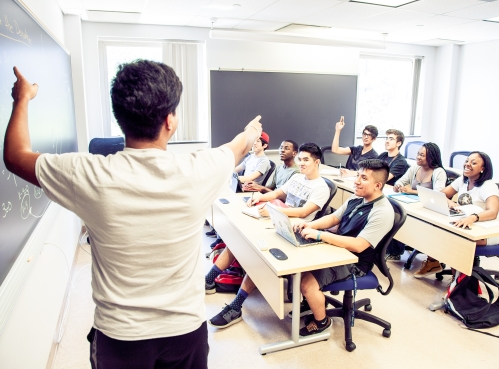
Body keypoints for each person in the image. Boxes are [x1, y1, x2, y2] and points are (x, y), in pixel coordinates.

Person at [4, 61, 264, 369]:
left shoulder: (87, 174)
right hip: (185, 332)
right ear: (170, 120)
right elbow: (239, 145)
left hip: (119, 337)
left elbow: (15, 156)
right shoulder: (198, 169)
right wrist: (251, 131)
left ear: (120, 118)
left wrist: (22, 98)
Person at [205, 143, 330, 328]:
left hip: (297, 234)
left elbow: (304, 212)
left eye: (306, 160)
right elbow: (278, 193)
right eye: (300, 159)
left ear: (317, 162)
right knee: (239, 242)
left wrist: (272, 210)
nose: (301, 163)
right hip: (279, 224)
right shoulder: (298, 178)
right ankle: (208, 280)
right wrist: (259, 197)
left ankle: (235, 306)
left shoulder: (321, 187)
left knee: (255, 256)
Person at [293, 159, 394, 336]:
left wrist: (320, 235)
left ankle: (322, 322)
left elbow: (359, 245)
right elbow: (334, 218)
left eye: (363, 178)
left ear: (378, 185)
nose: (356, 181)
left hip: (354, 262)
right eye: (357, 175)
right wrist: (310, 225)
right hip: (338, 249)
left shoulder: (382, 212)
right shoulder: (358, 197)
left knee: (307, 283)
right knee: (298, 260)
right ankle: (313, 303)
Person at [414, 151, 499, 278]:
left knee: (454, 241)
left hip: (488, 231)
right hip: (466, 224)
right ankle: (433, 264)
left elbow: (493, 212)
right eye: (467, 161)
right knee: (434, 230)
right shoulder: (463, 180)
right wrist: (450, 202)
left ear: (483, 169)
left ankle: (457, 284)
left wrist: (472, 217)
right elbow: (441, 195)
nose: (468, 164)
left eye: (473, 163)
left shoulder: (488, 186)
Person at [385, 142, 447, 261]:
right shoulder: (415, 167)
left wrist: (412, 191)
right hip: (413, 205)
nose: (418, 157)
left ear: (431, 157)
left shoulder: (439, 172)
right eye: (418, 154)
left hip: (428, 209)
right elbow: (402, 180)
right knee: (394, 213)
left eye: (422, 155)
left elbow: (438, 193)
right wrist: (397, 186)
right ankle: (394, 250)